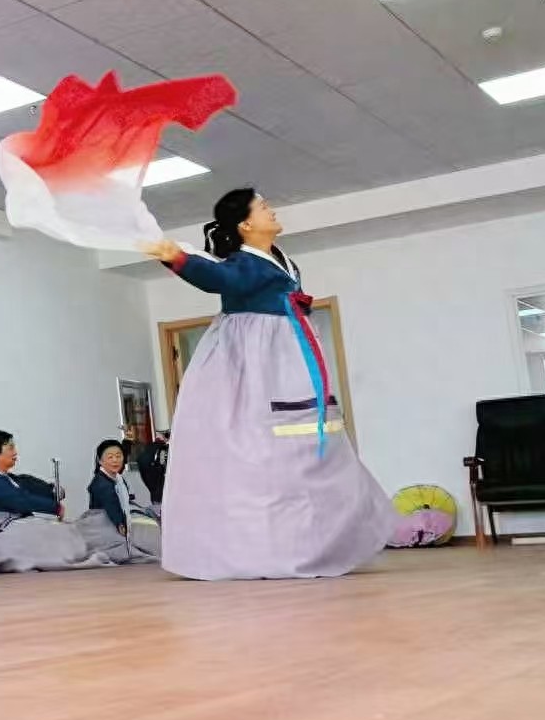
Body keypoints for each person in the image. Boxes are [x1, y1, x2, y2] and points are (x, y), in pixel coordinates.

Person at [141, 188, 389, 580]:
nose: (272, 211)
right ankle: (264, 549)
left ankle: (313, 543)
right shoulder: (244, 263)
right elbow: (218, 277)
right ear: (245, 224)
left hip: (288, 356)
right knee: (265, 452)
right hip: (258, 361)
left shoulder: (282, 260)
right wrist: (177, 258)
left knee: (306, 451)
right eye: (264, 207)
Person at [0, 430, 112, 572]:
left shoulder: (9, 479)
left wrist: (52, 490)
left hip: (14, 526)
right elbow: (21, 500)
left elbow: (29, 483)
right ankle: (73, 555)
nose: (15, 452)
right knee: (51, 531)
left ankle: (76, 553)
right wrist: (54, 507)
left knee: (59, 529)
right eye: (10, 448)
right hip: (0, 531)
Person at [79, 439, 159, 563]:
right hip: (104, 524)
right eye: (110, 457)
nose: (115, 460)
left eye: (118, 456)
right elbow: (111, 505)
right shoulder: (101, 483)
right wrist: (120, 524)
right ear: (100, 461)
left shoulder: (117, 478)